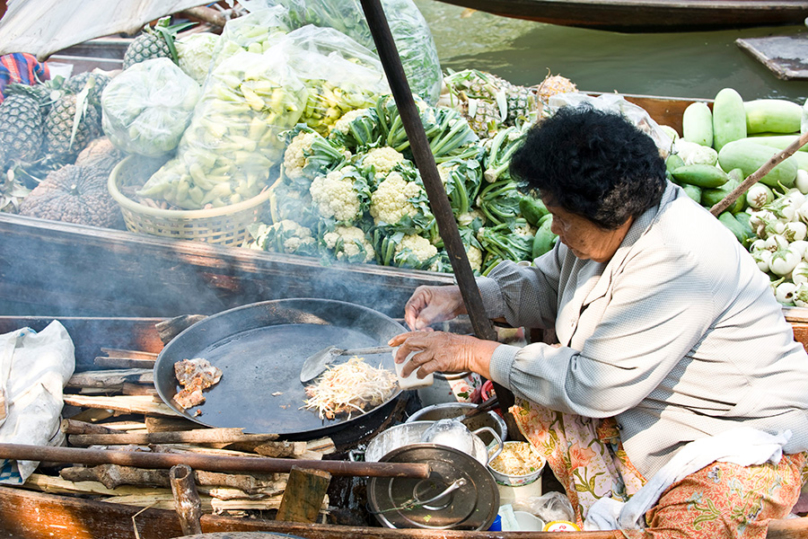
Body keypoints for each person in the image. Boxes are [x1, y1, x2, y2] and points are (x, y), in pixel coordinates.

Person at [390, 106, 808, 538]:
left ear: (614, 214)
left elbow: (596, 383)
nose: (555, 229)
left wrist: (470, 352)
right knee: (532, 386)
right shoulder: (602, 230)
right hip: (643, 414)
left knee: (695, 522)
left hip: (735, 434)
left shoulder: (679, 256)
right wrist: (462, 297)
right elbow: (549, 287)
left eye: (563, 219)